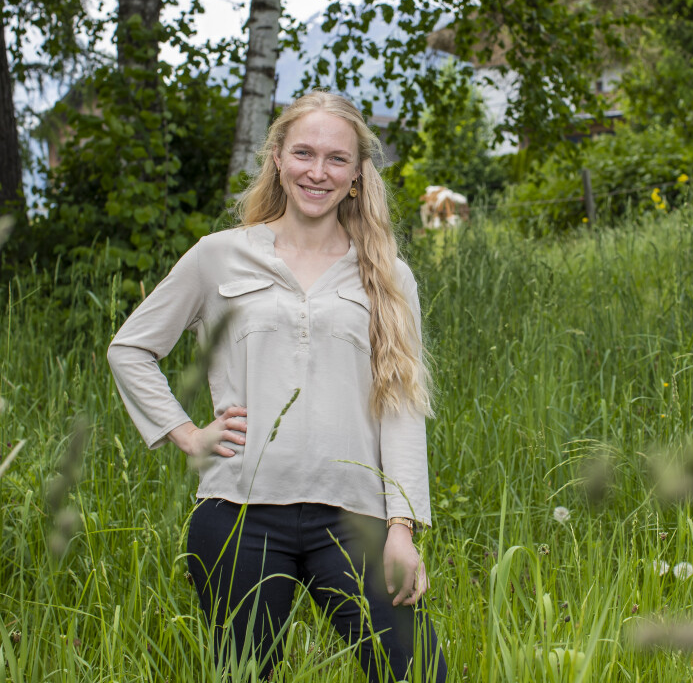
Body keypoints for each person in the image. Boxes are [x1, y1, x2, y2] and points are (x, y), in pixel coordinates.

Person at [107, 91, 447, 682]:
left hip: (355, 517)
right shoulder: (220, 257)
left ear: (358, 175)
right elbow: (131, 348)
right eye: (304, 154)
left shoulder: (388, 275)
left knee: (417, 671)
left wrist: (403, 527)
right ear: (277, 159)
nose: (318, 172)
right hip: (240, 514)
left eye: (336, 159)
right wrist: (185, 433)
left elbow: (401, 406)